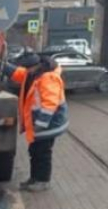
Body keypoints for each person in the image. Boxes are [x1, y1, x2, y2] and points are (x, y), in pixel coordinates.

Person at [4, 53, 68, 191]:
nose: (26, 71)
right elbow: (19, 73)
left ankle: (43, 181)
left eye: (28, 69)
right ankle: (34, 178)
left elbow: (50, 104)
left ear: (36, 66)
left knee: (43, 153)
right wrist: (5, 67)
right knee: (34, 151)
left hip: (48, 125)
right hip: (38, 124)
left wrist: (40, 125)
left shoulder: (48, 78)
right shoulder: (33, 74)